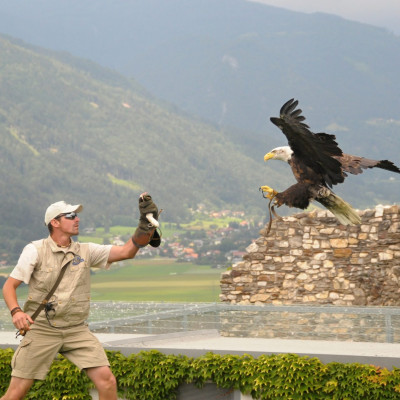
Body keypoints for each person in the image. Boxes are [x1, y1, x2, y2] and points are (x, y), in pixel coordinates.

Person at [1, 193, 160, 400]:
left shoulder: (86, 250)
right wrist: (16, 312)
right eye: (70, 215)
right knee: (16, 393)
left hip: (76, 329)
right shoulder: (35, 250)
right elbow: (9, 286)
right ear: (55, 222)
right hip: (41, 329)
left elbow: (126, 252)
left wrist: (146, 226)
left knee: (107, 381)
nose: (77, 219)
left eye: (76, 215)